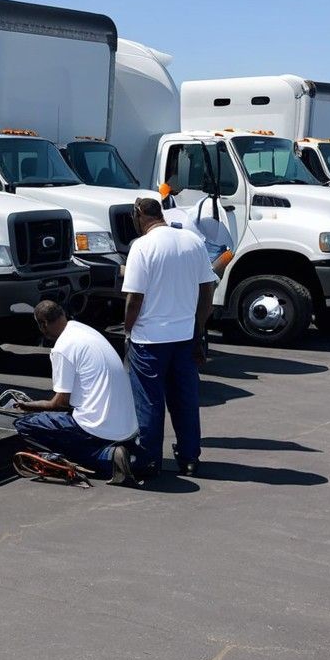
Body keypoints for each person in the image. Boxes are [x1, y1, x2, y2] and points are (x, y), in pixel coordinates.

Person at [123, 197, 217, 477]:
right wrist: (198, 328)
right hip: (184, 336)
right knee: (185, 400)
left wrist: (127, 329)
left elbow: (134, 298)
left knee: (149, 402)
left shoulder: (142, 246)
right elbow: (207, 291)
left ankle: (149, 460)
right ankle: (189, 458)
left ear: (140, 215)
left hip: (150, 339)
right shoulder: (191, 241)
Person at [12, 300, 140, 485]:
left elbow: (60, 403)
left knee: (25, 425)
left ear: (43, 324)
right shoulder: (83, 330)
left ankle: (107, 457)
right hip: (127, 425)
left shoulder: (63, 347)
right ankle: (119, 453)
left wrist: (30, 406)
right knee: (66, 422)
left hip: (97, 426)